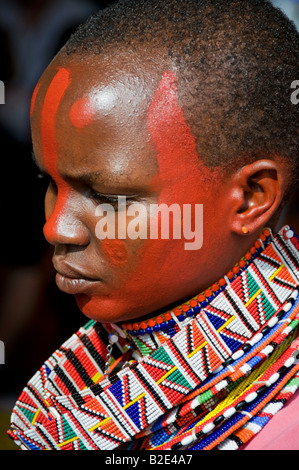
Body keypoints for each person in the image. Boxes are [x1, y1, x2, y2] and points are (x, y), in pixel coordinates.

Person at [7, 0, 299, 451]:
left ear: (250, 197)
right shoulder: (83, 379)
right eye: (49, 181)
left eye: (109, 197)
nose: (57, 229)